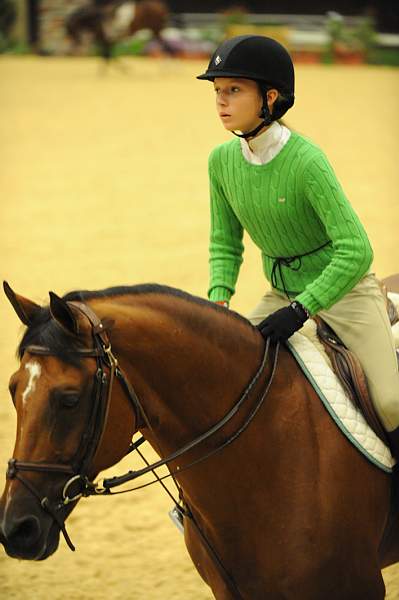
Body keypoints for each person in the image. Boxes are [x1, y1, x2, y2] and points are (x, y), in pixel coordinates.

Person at [197, 35, 399, 455]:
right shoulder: (220, 161)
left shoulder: (308, 162)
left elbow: (357, 250)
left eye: (234, 90)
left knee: (392, 402)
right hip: (281, 296)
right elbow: (224, 242)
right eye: (217, 91)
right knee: (225, 382)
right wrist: (218, 302)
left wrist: (302, 308)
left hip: (345, 294)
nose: (221, 101)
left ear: (270, 97)